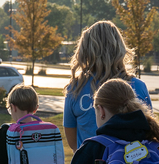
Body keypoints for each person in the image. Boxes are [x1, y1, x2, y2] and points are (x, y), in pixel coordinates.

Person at [63, 20, 152, 151]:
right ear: (120, 48)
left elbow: (73, 142)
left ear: (85, 50)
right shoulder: (138, 87)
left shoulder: (75, 88)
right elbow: (149, 132)